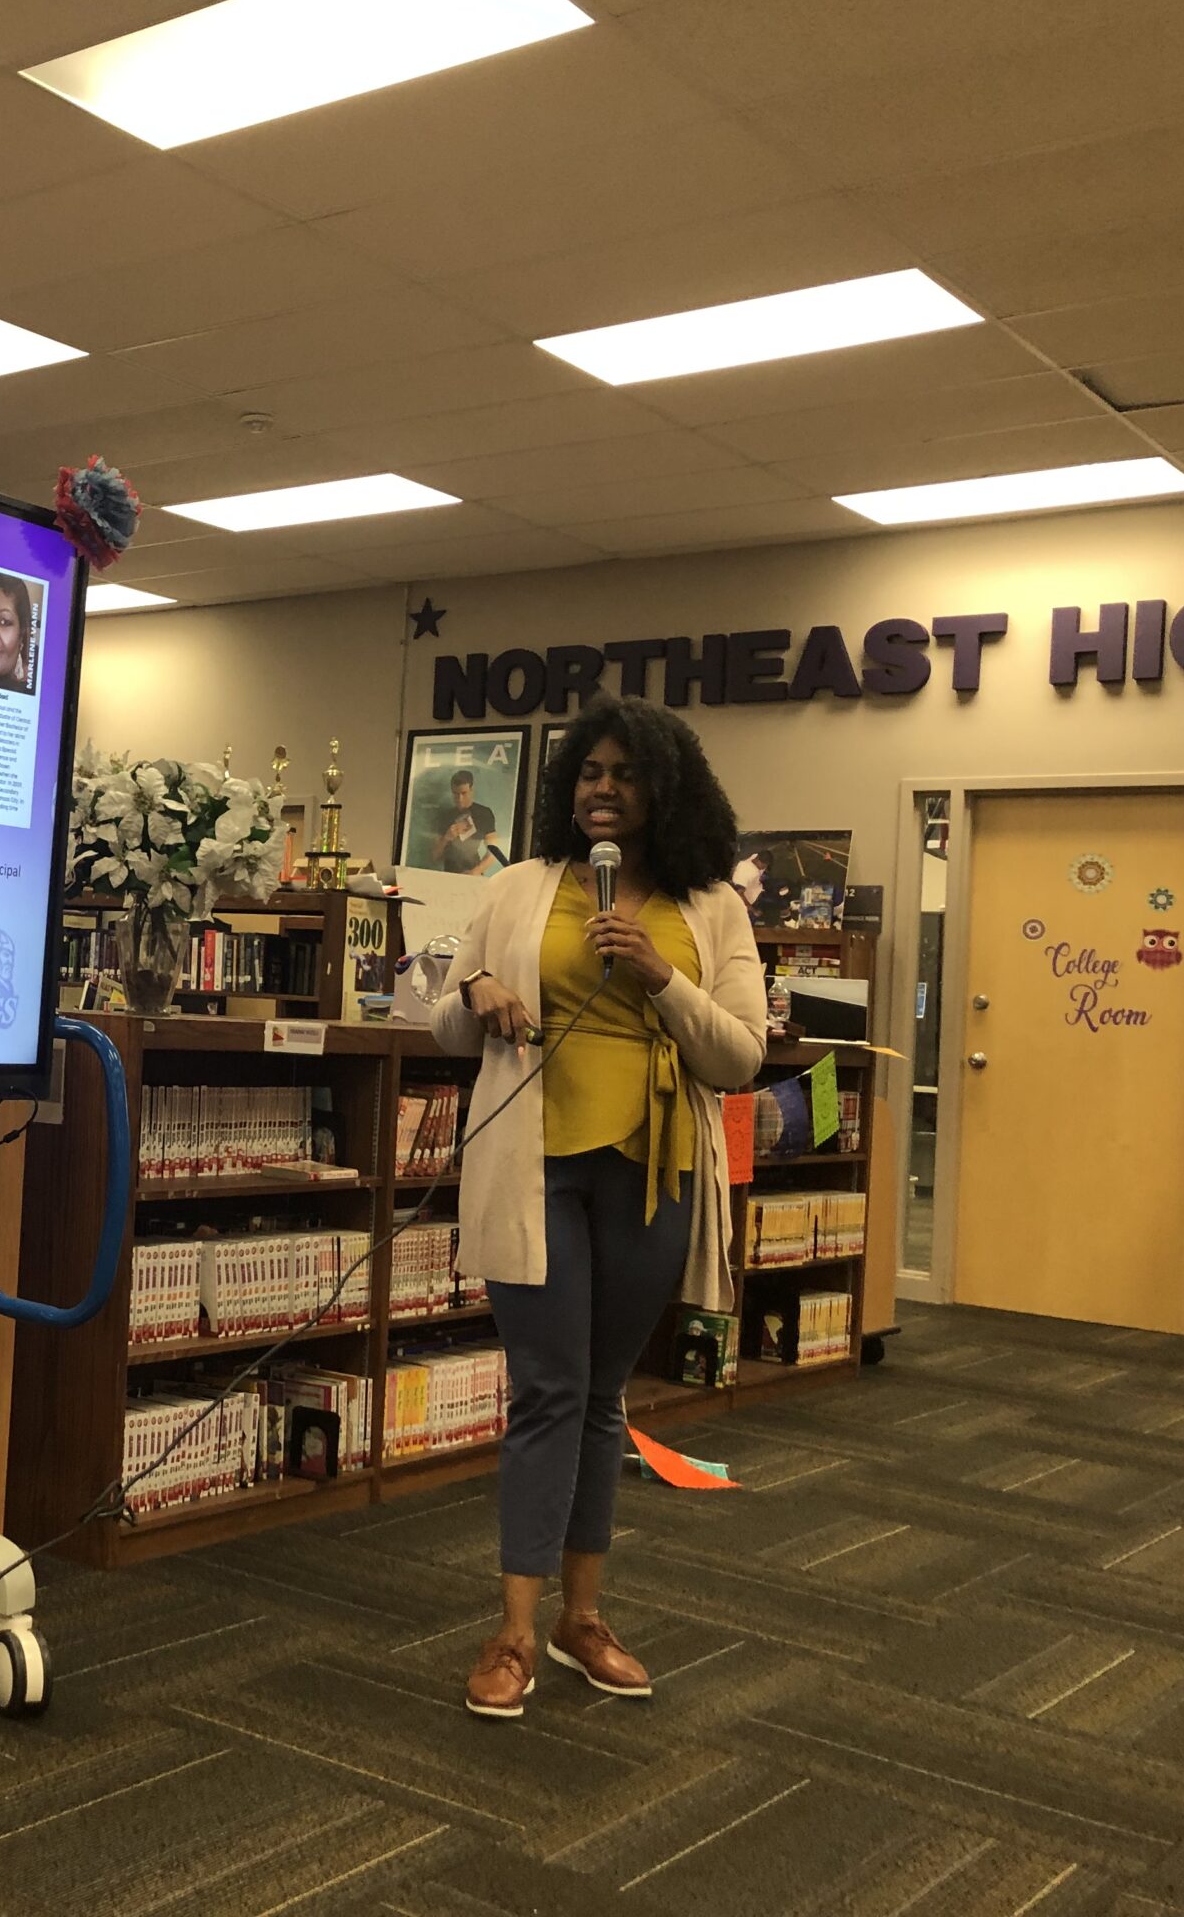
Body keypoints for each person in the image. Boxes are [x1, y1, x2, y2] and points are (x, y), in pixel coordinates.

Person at [431, 697, 764, 1719]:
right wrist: (478, 990)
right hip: (534, 1169)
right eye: (587, 773)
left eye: (622, 774)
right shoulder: (519, 887)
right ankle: (513, 1632)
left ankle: (583, 1619)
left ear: (666, 790)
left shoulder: (712, 908)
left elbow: (741, 1057)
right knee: (547, 1390)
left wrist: (660, 975)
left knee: (601, 1397)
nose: (602, 789)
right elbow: (444, 1024)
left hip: (654, 1174)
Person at [435, 768, 506, 875]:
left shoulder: (484, 813)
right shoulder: (445, 815)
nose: (460, 798)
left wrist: (475, 871)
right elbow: (434, 855)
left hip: (474, 872)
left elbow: (495, 851)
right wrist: (446, 838)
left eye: (464, 793)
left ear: (471, 790)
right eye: (455, 793)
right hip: (449, 874)